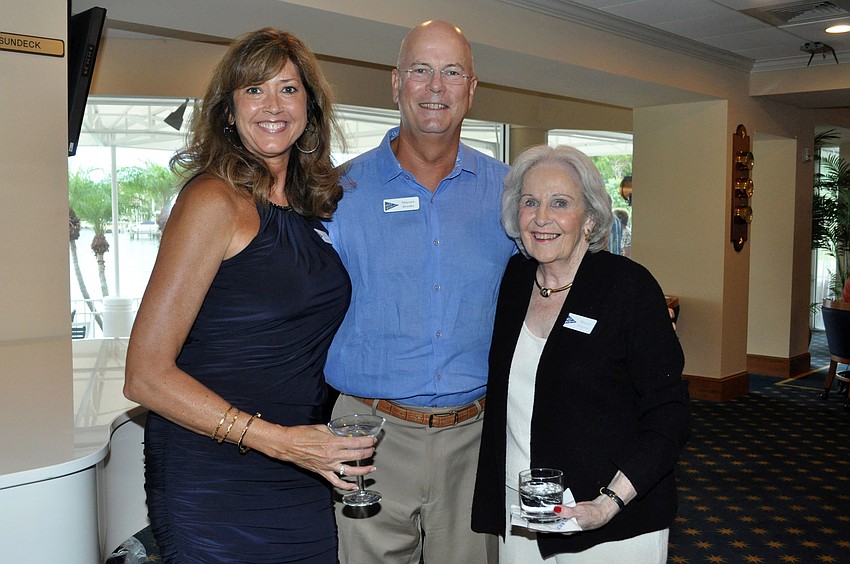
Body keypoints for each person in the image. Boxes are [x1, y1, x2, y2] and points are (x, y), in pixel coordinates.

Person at [123, 28, 377, 563]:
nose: (272, 105)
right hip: (216, 471)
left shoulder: (312, 209)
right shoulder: (213, 199)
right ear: (228, 109)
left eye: (287, 89)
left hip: (303, 464)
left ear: (310, 105)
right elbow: (145, 373)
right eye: (254, 90)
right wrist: (281, 441)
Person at [323, 19, 516, 564]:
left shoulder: (510, 195)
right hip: (365, 437)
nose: (436, 86)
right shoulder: (337, 193)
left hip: (474, 438)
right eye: (421, 71)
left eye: (452, 72)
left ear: (471, 90)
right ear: (396, 83)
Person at [472, 145, 690, 563]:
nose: (541, 217)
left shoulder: (628, 288)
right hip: (524, 517)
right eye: (529, 202)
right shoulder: (516, 280)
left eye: (560, 203)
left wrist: (608, 502)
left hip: (610, 525)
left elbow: (669, 415)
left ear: (590, 217)